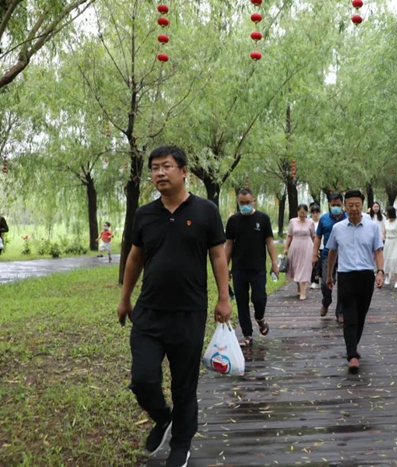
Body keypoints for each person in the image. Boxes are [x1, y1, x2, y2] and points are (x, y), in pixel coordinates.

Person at [117, 146, 232, 467]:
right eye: (154, 168)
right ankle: (163, 417)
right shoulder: (144, 214)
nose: (159, 173)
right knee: (143, 379)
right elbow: (135, 258)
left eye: (166, 166)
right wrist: (125, 298)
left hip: (188, 313)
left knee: (184, 385)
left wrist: (224, 298)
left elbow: (218, 256)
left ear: (184, 172)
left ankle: (181, 444)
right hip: (149, 312)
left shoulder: (206, 211)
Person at [326, 189, 384, 373]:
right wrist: (329, 275)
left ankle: (353, 345)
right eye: (350, 205)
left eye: (357, 205)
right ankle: (352, 354)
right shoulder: (338, 228)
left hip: (366, 275)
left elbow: (378, 251)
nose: (354, 208)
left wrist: (380, 272)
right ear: (345, 206)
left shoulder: (372, 227)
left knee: (360, 315)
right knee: (349, 316)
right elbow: (332, 252)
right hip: (346, 276)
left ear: (362, 205)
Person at [225, 188, 279, 348]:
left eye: (248, 202)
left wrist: (274, 263)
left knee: (259, 298)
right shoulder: (233, 221)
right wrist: (225, 267)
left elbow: (269, 241)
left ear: (254, 201)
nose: (245, 205)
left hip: (258, 268)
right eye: (242, 203)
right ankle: (247, 334)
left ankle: (260, 318)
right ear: (238, 202)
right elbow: (229, 244)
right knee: (241, 302)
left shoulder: (263, 218)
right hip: (239, 268)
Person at [312, 193, 347, 322]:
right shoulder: (324, 219)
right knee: (325, 283)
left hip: (345, 255)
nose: (336, 207)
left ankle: (340, 312)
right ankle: (326, 302)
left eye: (338, 205)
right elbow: (318, 237)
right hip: (327, 254)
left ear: (342, 204)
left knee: (344, 284)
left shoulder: (348, 218)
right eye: (333, 205)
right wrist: (314, 254)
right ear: (329, 204)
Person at [283, 204, 316, 300]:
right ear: (297, 212)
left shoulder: (310, 223)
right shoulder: (292, 221)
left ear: (307, 212)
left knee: (305, 268)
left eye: (304, 213)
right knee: (295, 268)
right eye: (300, 213)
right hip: (295, 246)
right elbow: (289, 235)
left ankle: (303, 292)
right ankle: (298, 286)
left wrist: (316, 249)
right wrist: (286, 247)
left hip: (307, 247)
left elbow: (314, 237)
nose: (302, 215)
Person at [383, 207, 397, 289]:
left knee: (396, 260)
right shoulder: (386, 222)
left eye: (387, 212)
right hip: (388, 241)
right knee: (386, 259)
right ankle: (387, 276)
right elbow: (384, 233)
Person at [309, 204, 322, 289]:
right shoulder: (309, 222)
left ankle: (319, 278)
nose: (315, 214)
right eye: (313, 213)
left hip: (321, 246)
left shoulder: (322, 221)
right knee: (313, 265)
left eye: (316, 212)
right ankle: (314, 281)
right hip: (310, 246)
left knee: (320, 265)